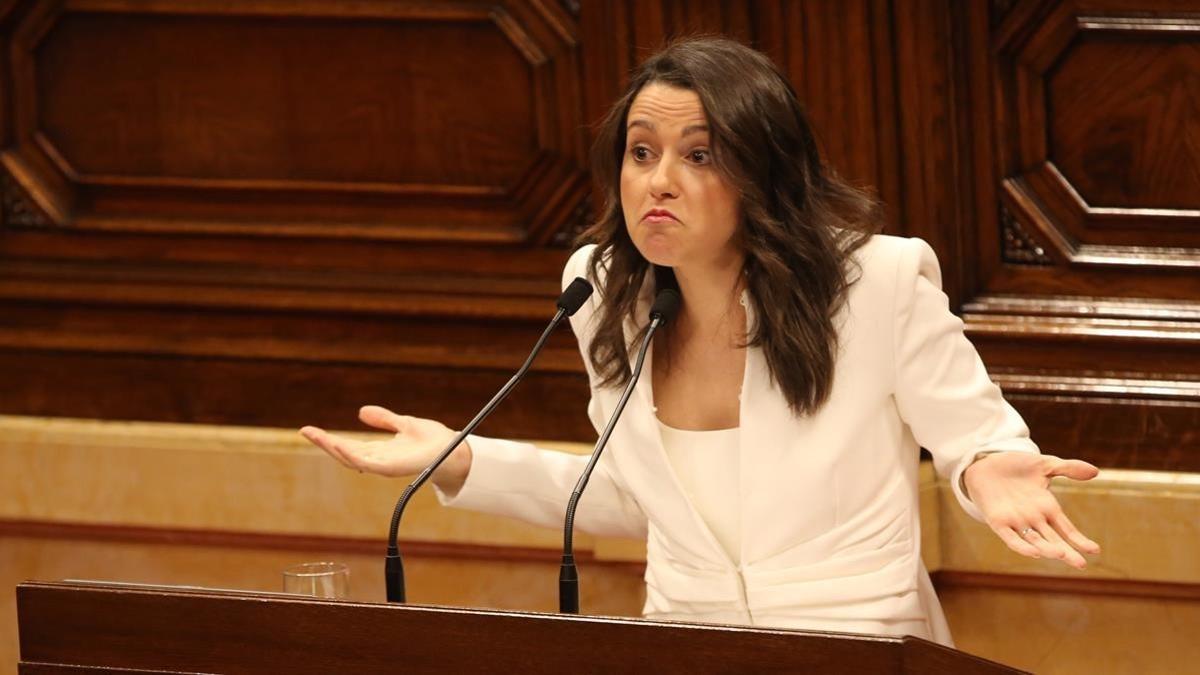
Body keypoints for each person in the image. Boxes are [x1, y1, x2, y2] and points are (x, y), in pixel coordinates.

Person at [300, 36, 1100, 646]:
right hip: (685, 642)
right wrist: (460, 456)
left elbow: (976, 436)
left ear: (763, 173)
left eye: (699, 155)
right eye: (641, 152)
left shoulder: (876, 283)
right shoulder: (605, 293)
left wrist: (993, 468)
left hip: (860, 646)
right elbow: (634, 495)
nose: (658, 180)